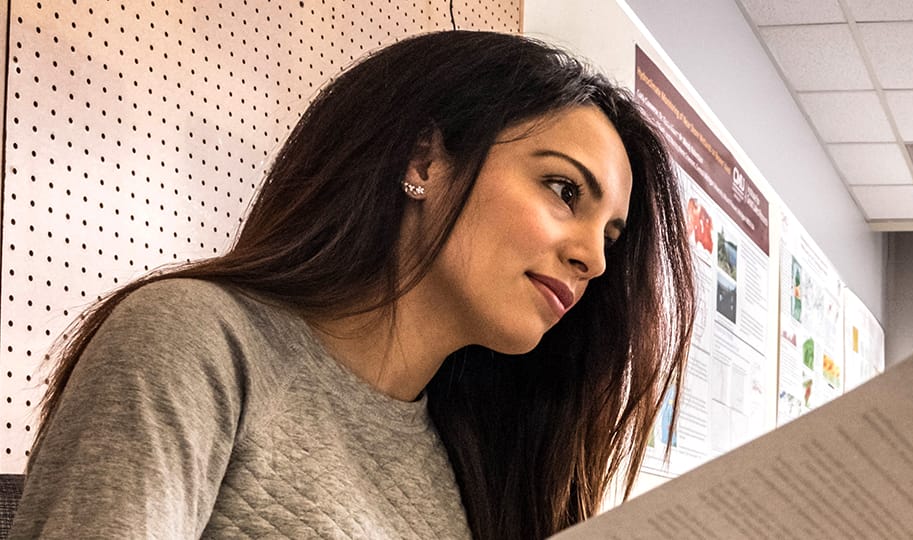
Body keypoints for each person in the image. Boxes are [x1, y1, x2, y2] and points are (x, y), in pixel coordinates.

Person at [11, 30, 695, 539]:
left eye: (611, 236)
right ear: (425, 160)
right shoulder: (196, 341)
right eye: (563, 189)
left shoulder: (482, 463)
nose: (594, 262)